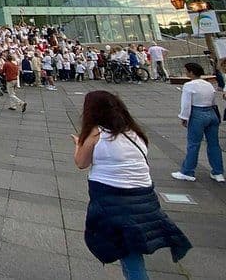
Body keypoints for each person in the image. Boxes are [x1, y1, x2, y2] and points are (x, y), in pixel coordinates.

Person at [73, 91, 191, 279]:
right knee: (129, 254)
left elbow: (80, 162)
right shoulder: (134, 132)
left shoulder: (96, 133)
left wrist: (79, 144)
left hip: (115, 202)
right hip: (145, 199)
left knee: (131, 257)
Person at [172, 62, 225, 182]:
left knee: (194, 144)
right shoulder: (208, 84)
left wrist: (184, 117)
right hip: (211, 112)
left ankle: (187, 171)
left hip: (197, 113)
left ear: (191, 72)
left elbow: (186, 104)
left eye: (186, 71)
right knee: (214, 143)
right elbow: (213, 100)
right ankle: (218, 172)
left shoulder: (189, 85)